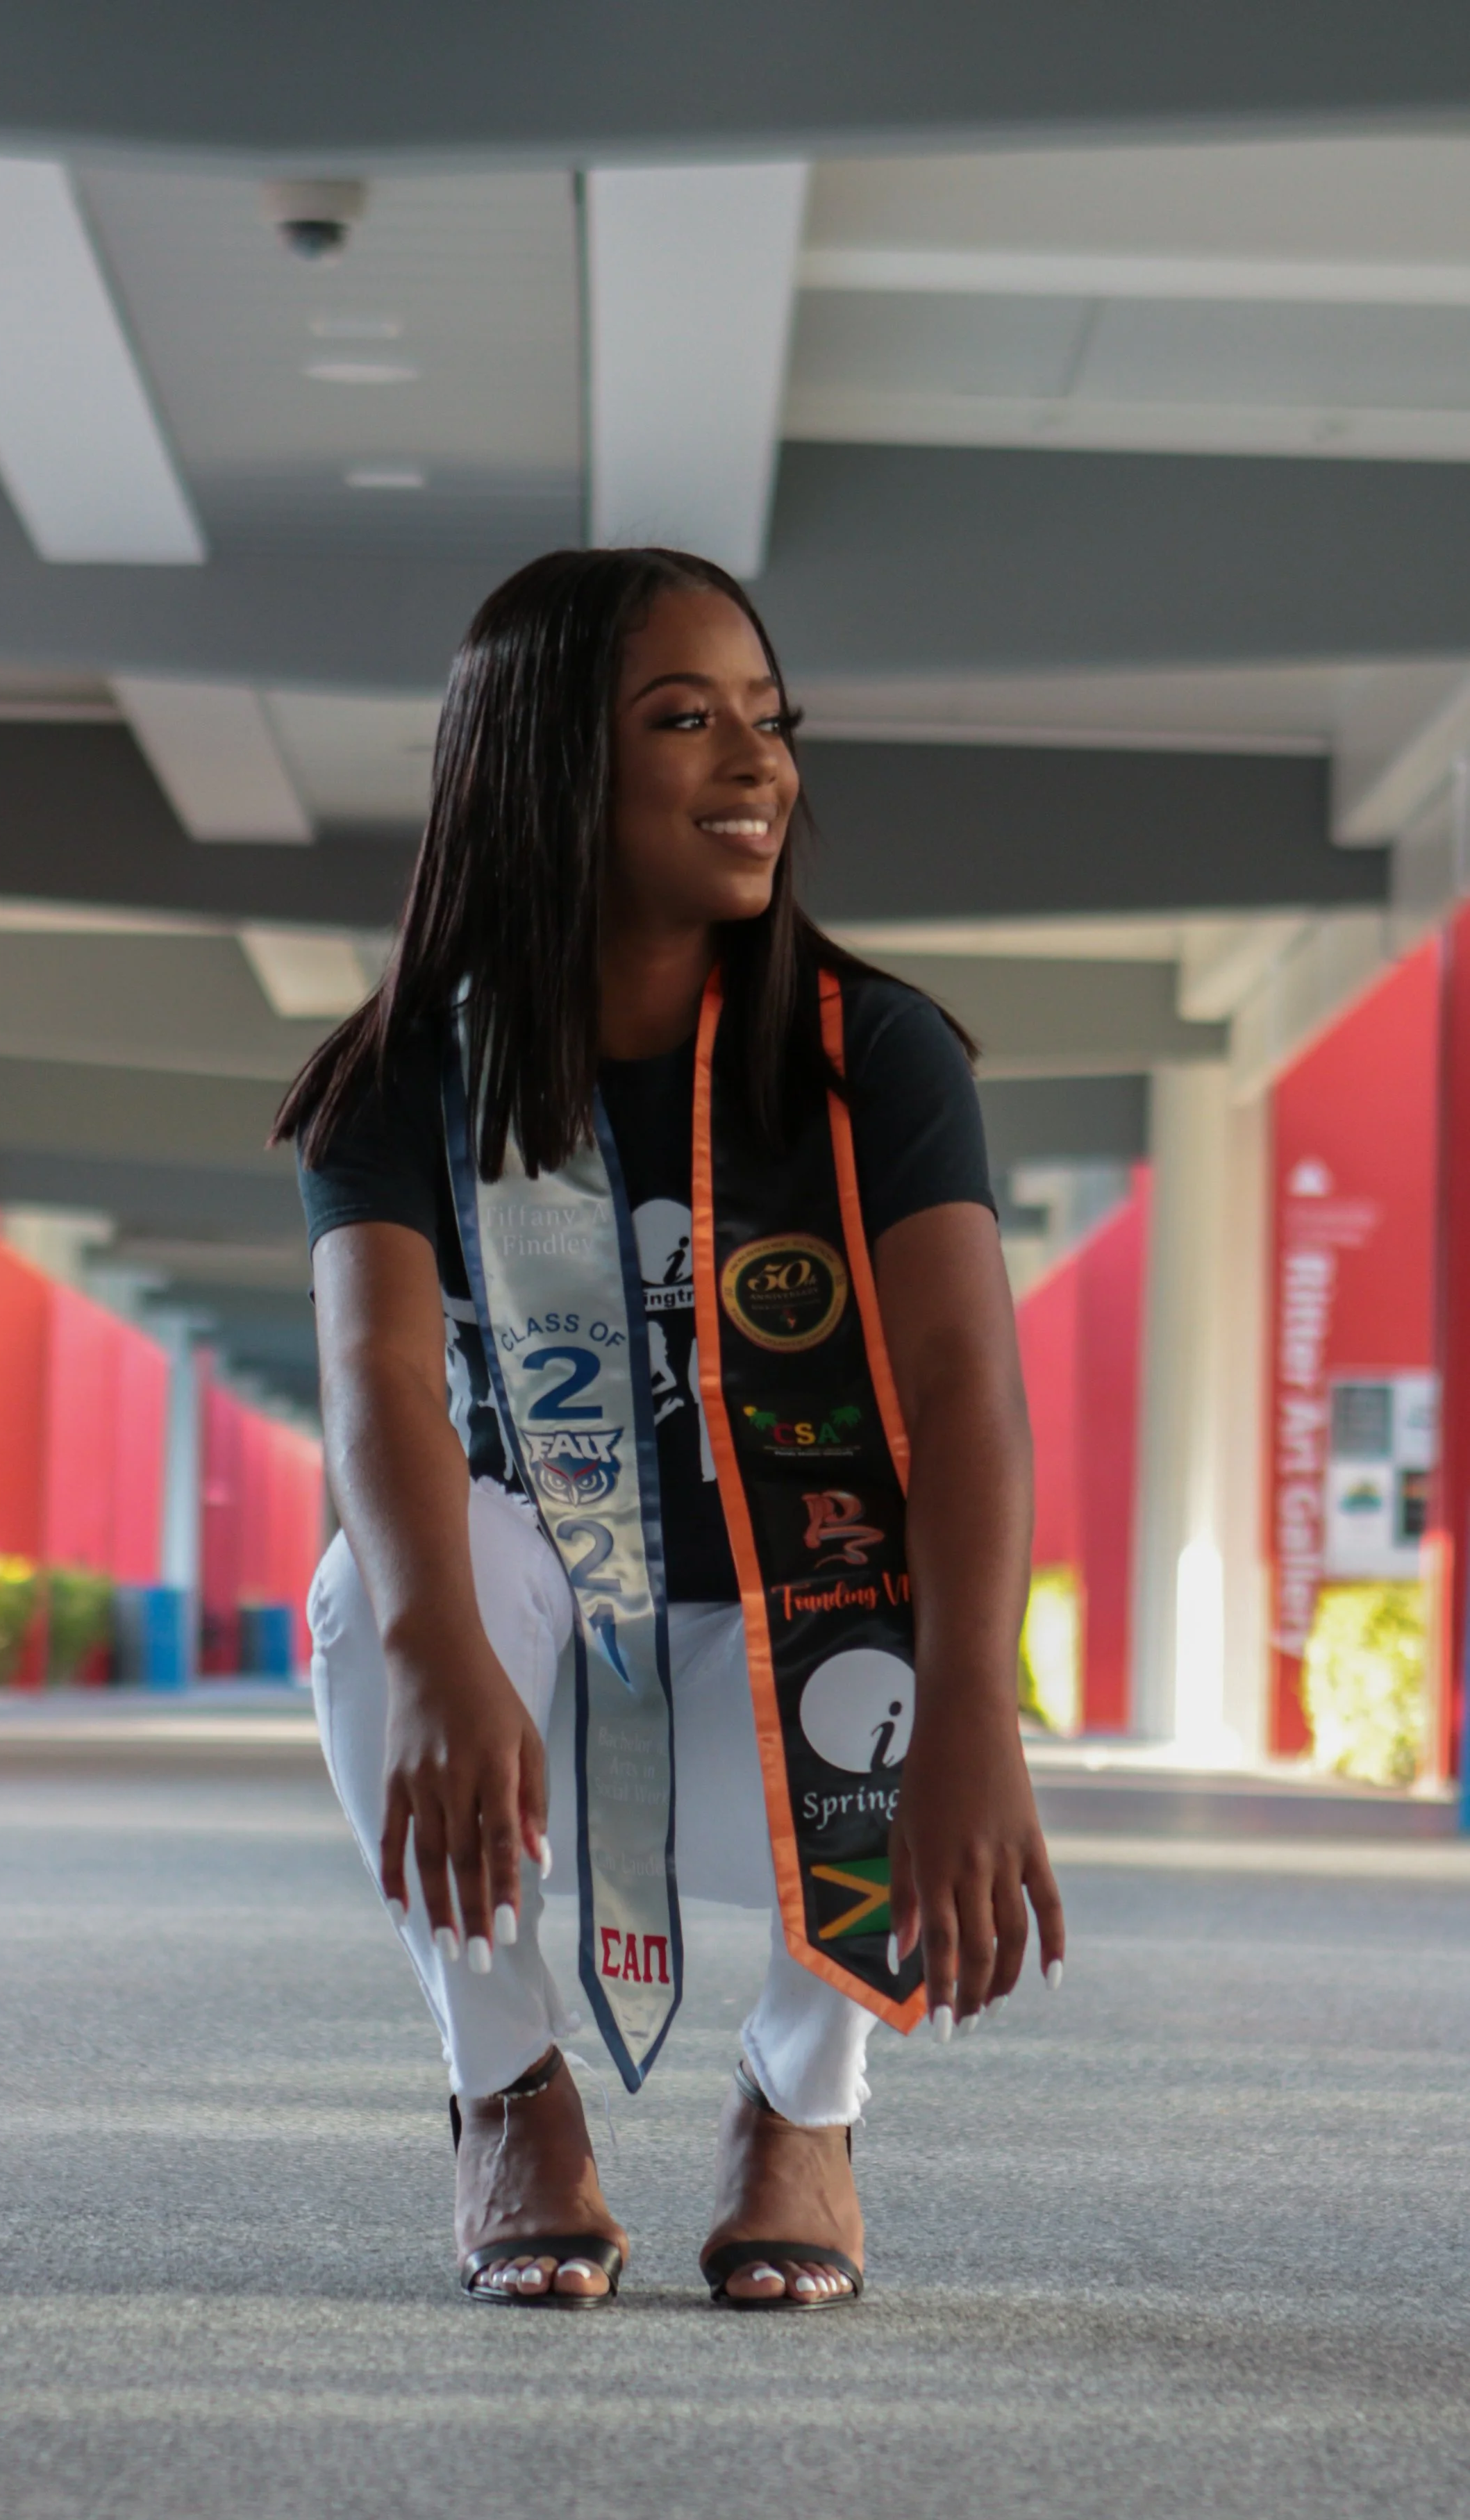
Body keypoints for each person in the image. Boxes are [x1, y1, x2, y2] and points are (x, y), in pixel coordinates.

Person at [278, 547, 1064, 2311]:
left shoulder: (877, 1055)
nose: (756, 765)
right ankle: (507, 2091)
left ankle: (801, 2095)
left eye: (768, 723)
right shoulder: (405, 1073)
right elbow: (383, 1381)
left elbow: (960, 1392)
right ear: (549, 761)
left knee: (950, 1652)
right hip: (537, 1680)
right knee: (379, 1583)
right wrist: (433, 1650)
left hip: (788, 1676)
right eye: (685, 720)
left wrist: (975, 1715)